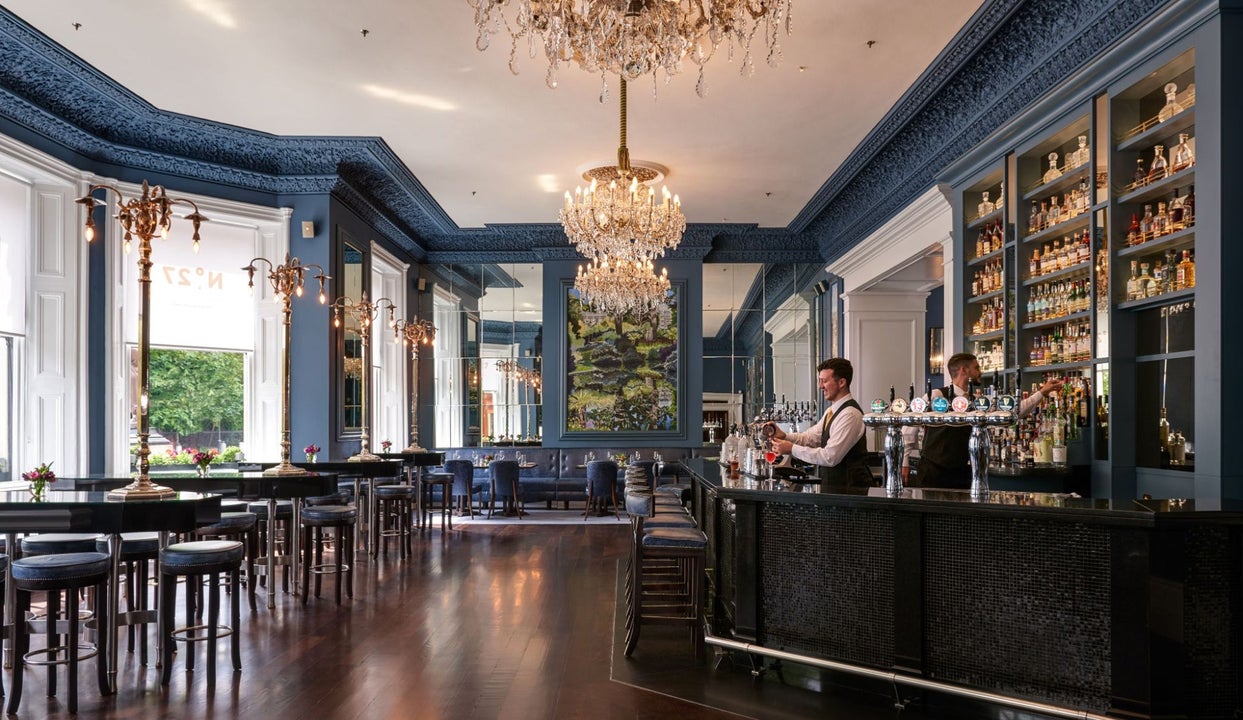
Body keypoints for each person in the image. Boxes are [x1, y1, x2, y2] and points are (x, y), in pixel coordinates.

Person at [903, 352, 1062, 489]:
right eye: (976, 368)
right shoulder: (937, 395)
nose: (980, 372)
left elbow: (1013, 412)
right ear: (963, 370)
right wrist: (904, 461)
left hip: (962, 471)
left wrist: (1042, 393)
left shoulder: (978, 402)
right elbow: (909, 426)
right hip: (933, 471)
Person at [768, 357, 872, 491]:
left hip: (849, 493)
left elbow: (830, 457)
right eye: (819, 381)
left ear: (841, 382)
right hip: (833, 490)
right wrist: (784, 436)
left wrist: (791, 448)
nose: (820, 386)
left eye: (824, 381)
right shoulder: (832, 411)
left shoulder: (850, 414)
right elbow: (810, 438)